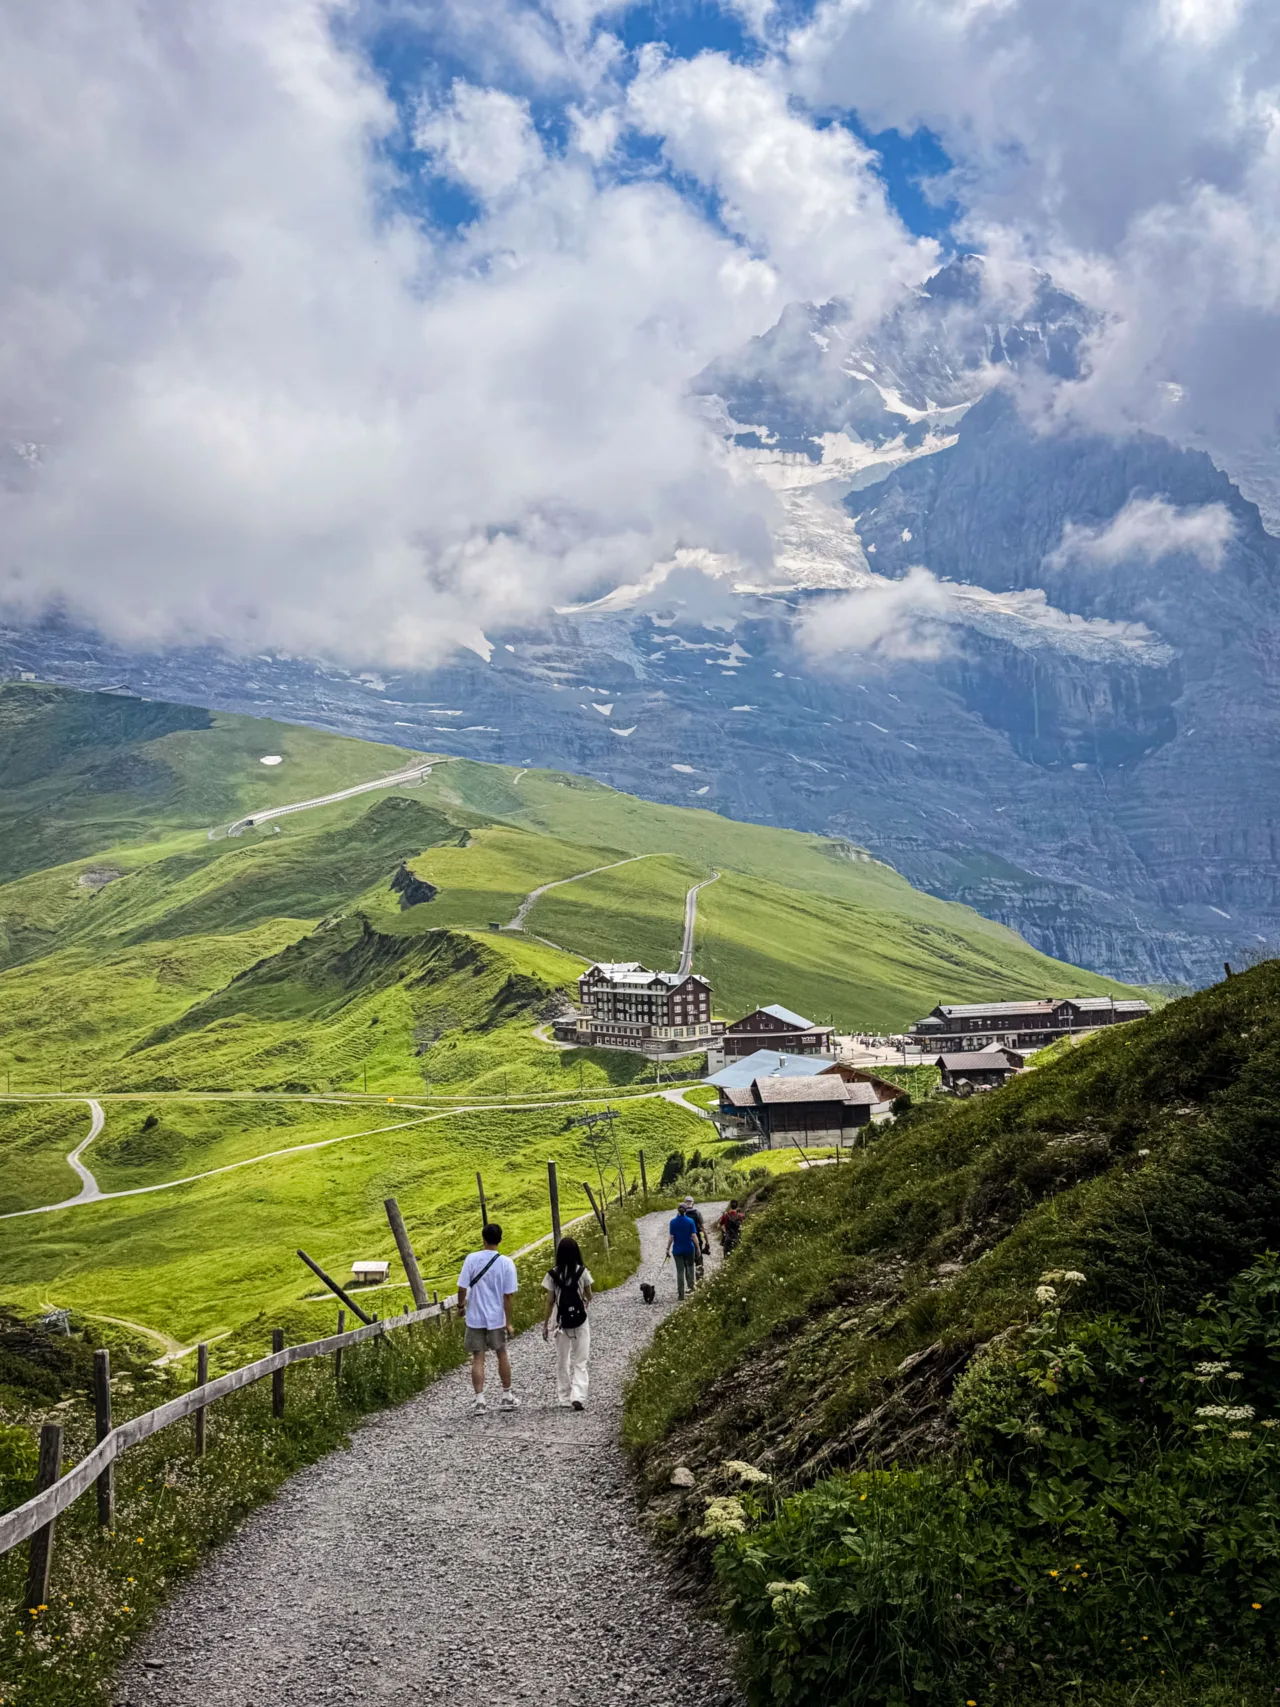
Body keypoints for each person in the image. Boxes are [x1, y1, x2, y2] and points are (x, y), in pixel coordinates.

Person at [457, 1222, 520, 1414]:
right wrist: (508, 1322)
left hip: (475, 1316)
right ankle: (507, 1396)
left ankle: (480, 1401)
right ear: (500, 1240)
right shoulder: (506, 1263)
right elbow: (508, 1296)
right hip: (496, 1318)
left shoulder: (471, 1259)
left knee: (478, 1357)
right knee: (501, 1353)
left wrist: (461, 1306)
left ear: (483, 1239)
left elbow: (461, 1288)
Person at [542, 1235, 593, 1411]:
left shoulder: (552, 1274)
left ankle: (564, 1396)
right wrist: (584, 1300)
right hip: (580, 1318)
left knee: (563, 1358)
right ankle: (578, 1395)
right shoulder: (583, 1271)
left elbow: (549, 1301)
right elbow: (589, 1296)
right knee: (581, 1359)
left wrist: (545, 1324)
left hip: (560, 1320)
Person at [666, 1202, 700, 1300]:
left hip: (677, 1250)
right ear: (686, 1211)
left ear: (678, 1210)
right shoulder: (690, 1221)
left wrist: (667, 1249)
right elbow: (694, 1236)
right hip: (689, 1248)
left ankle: (681, 1294)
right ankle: (691, 1288)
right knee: (690, 1268)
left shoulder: (673, 1222)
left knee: (680, 1271)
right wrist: (698, 1248)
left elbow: (671, 1237)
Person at [681, 1194, 712, 1281]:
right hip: (697, 1240)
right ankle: (700, 1280)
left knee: (688, 1263)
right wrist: (707, 1242)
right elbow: (703, 1229)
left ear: (685, 1203)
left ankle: (690, 1284)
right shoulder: (697, 1213)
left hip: (685, 1242)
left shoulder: (682, 1214)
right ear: (693, 1203)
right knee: (698, 1259)